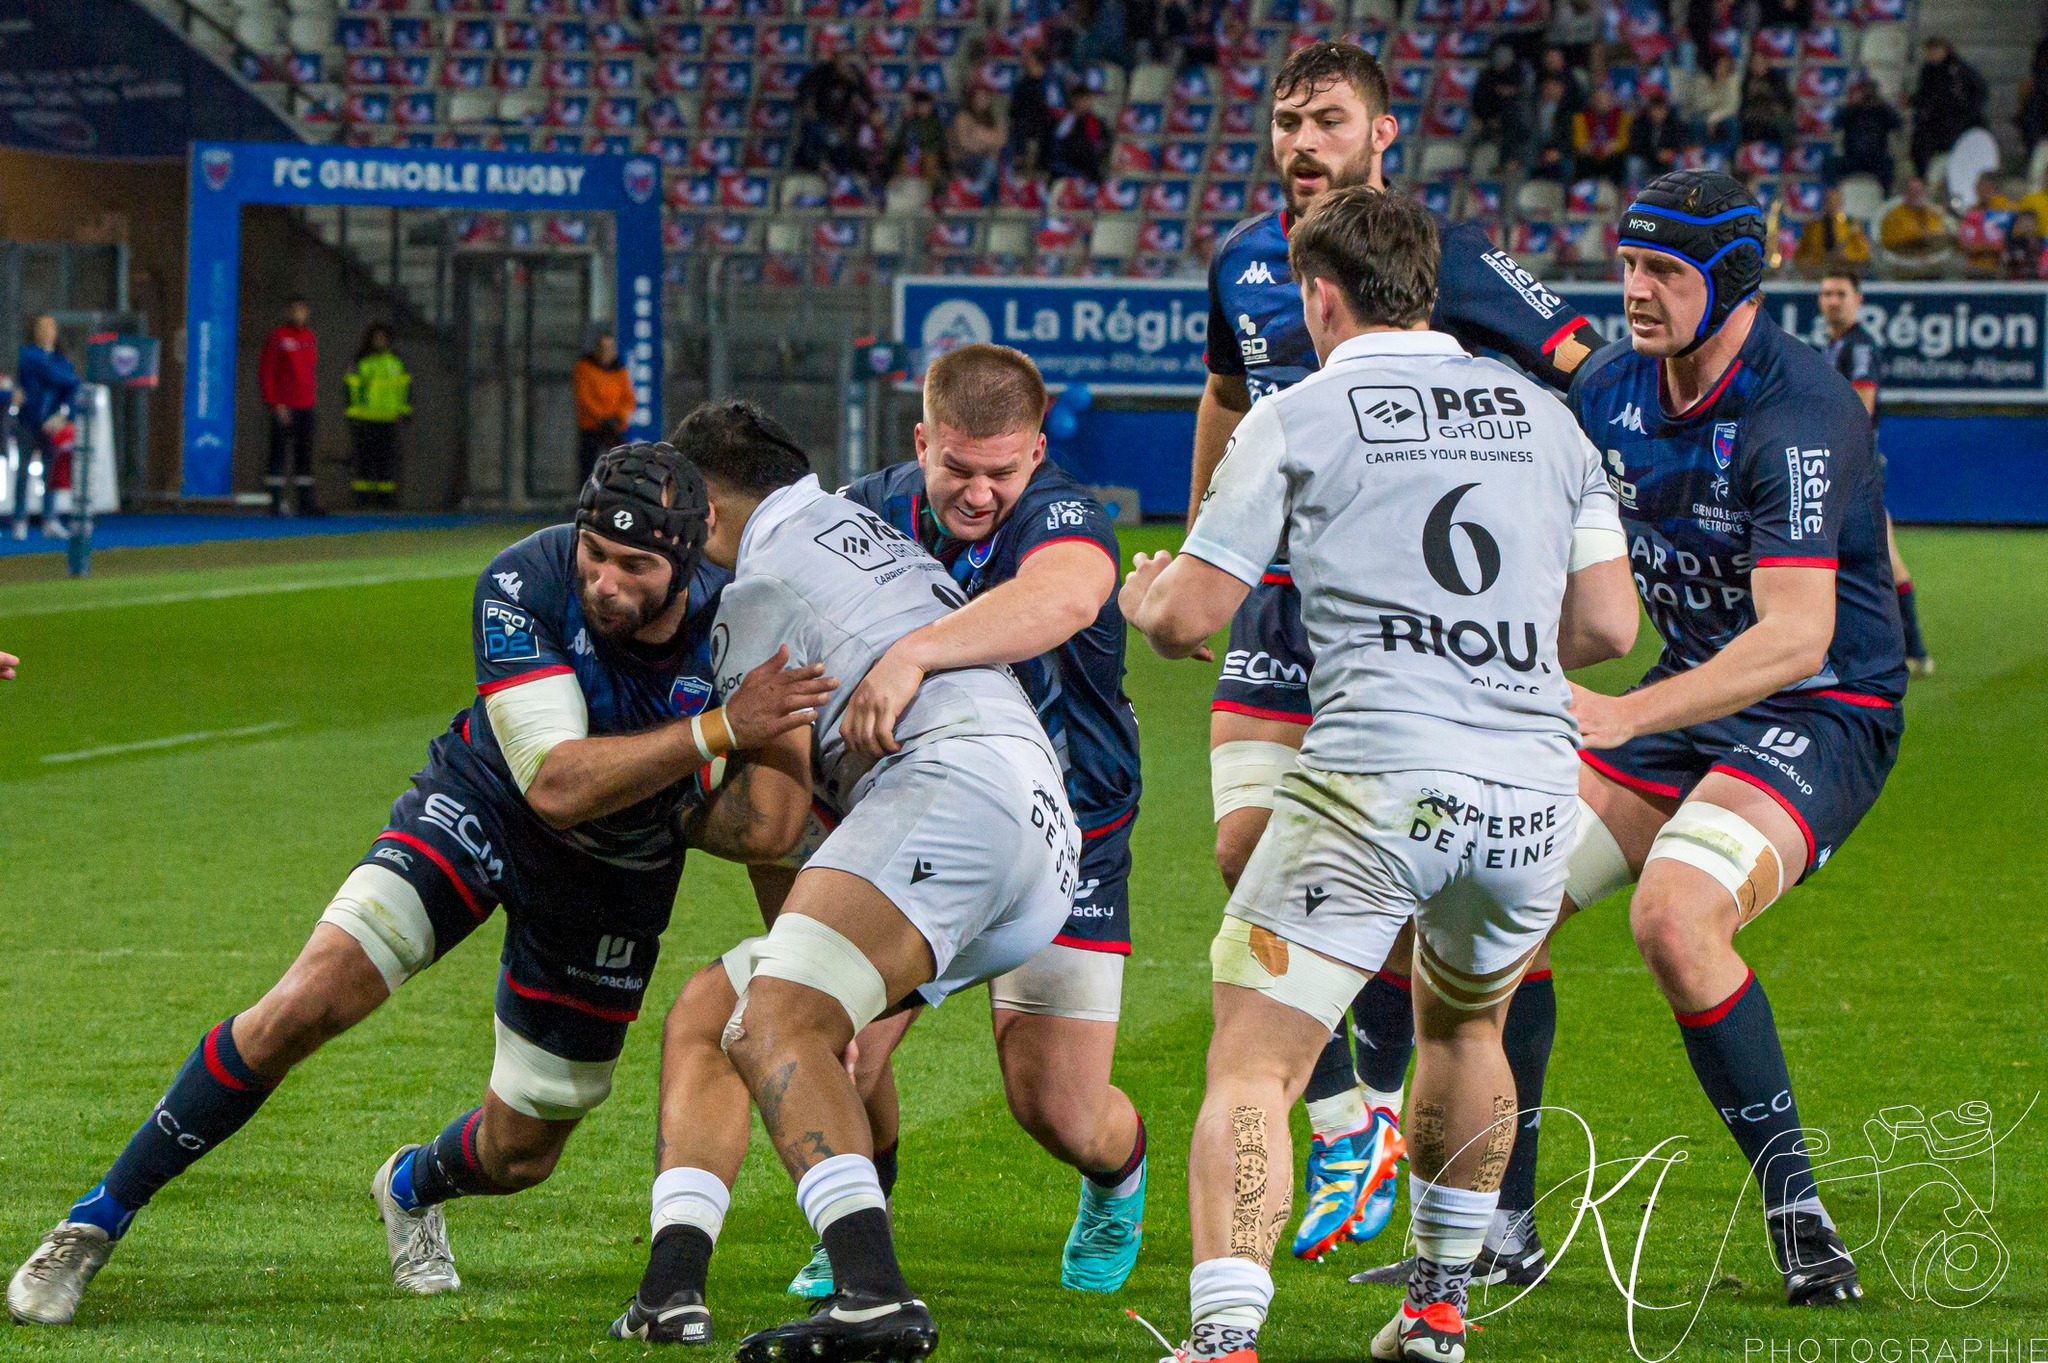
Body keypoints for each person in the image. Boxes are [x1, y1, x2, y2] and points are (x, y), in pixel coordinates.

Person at [4, 446, 833, 1328]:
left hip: (613, 881)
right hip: (485, 804)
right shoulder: (525, 577)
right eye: (596, 552)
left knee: (523, 1151)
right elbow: (551, 783)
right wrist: (713, 736)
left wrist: (709, 771)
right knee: (307, 999)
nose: (605, 582)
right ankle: (94, 1219)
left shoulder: (744, 620)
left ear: (693, 551)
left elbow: (768, 830)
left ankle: (410, 1183)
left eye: (635, 566)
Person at [1121, 184, 1638, 1363]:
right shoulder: (1546, 419)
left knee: (1254, 1061)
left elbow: (1191, 613)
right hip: (1524, 796)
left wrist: (1146, 595)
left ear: (1320, 294)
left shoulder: (1298, 413)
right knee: (1465, 1034)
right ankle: (1436, 1312)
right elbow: (1608, 626)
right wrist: (1489, 644)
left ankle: (1222, 1337)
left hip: (1372, 782)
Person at [1191, 38, 1606, 1269]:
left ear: (1382, 134)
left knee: (1453, 923)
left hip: (1421, 620)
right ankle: (1350, 1116)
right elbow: (1227, 391)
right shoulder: (1242, 261)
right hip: (1282, 596)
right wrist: (1212, 525)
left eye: (1325, 120)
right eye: (1284, 122)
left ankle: (1456, 1178)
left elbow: (1590, 371)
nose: (1300, 143)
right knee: (1239, 844)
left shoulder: (1441, 263)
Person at [1486, 170, 1904, 1307]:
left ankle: (1796, 1213)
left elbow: (1792, 638)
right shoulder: (1612, 392)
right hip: (1685, 695)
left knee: (1671, 917)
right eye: (1626, 265)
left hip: (1820, 707)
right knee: (1498, 904)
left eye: (1663, 271)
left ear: (1729, 282)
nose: (1634, 290)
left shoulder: (1799, 413)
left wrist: (1620, 711)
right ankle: (1502, 1229)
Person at [608, 401, 1079, 1360]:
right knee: (714, 1011)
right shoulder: (857, 529)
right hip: (1033, 831)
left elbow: (772, 823)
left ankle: (872, 1292)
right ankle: (670, 1290)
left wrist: (654, 807)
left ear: (699, 505)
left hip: (955, 790)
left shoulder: (763, 584)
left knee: (774, 1020)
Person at [801, 344, 1146, 1298]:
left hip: (1071, 833)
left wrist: (912, 654)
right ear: (921, 441)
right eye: (957, 468)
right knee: (836, 1036)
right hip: (923, 827)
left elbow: (1066, 593)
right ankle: (858, 1216)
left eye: (1003, 470)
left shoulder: (1063, 513)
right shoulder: (867, 511)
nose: (982, 493)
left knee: (1059, 1110)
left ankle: (1117, 1181)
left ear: (1038, 450)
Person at [1818, 264, 1933, 677]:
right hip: (1851, 469)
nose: (1832, 300)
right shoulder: (1833, 345)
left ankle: (1905, 650)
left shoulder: (1859, 347)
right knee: (1880, 558)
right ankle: (1912, 650)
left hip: (1852, 470)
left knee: (1851, 559)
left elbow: (1860, 411)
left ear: (1858, 300)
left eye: (1840, 293)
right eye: (1827, 293)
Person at [11, 314, 80, 539]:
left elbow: (71, 389)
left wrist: (61, 415)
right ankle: (19, 520)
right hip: (28, 422)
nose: (46, 331)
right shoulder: (29, 355)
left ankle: (49, 519)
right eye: (42, 327)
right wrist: (67, 379)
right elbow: (64, 379)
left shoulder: (62, 359)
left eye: (50, 327)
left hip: (51, 425)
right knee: (24, 471)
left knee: (51, 473)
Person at [259, 298, 320, 517]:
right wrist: (275, 403)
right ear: (288, 312)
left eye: (303, 310)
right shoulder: (278, 337)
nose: (299, 314)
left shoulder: (310, 338)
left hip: (306, 405)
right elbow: (267, 372)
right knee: (278, 453)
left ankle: (305, 502)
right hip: (285, 405)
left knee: (304, 454)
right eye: (295, 310)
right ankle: (275, 501)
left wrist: (310, 400)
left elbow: (308, 373)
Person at [344, 323, 411, 508]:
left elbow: (404, 389)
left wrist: (402, 413)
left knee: (386, 459)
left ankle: (386, 499)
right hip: (366, 418)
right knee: (364, 459)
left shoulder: (396, 362)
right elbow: (352, 388)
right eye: (376, 337)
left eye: (383, 337)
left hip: (389, 418)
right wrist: (354, 415)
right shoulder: (361, 361)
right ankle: (362, 499)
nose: (379, 341)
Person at [1910, 38, 1986, 177]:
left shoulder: (1959, 70)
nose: (1932, 55)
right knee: (1920, 151)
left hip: (1955, 124)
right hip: (1932, 124)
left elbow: (1978, 91)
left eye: (1935, 50)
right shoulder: (1928, 71)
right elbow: (1925, 95)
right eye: (1929, 51)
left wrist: (1967, 113)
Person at [573, 334, 635, 485]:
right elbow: (584, 397)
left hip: (613, 426)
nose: (606, 352)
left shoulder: (620, 371)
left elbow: (629, 398)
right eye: (603, 348)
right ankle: (586, 498)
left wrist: (619, 416)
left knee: (622, 460)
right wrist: (602, 417)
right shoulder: (585, 367)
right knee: (587, 464)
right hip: (592, 426)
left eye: (610, 348)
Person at [1472, 42, 1535, 171]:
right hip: (1490, 121)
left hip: (1513, 122)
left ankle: (1510, 161)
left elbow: (1521, 101)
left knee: (1515, 125)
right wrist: (1488, 119)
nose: (1501, 65)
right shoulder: (1486, 77)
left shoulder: (1518, 74)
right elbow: (1479, 102)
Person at [1834, 77, 1902, 194]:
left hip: (1876, 158)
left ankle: (1886, 199)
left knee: (1889, 166)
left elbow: (1897, 124)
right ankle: (1832, 199)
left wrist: (1881, 104)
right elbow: (1836, 123)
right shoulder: (1852, 111)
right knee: (1830, 165)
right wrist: (1852, 104)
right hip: (1853, 157)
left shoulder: (1882, 111)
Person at [1878, 176, 1955, 276]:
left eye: (1920, 191)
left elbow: (1939, 235)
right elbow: (1891, 243)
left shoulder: (1931, 214)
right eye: (1913, 191)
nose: (1917, 195)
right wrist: (1919, 237)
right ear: (1905, 194)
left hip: (1932, 261)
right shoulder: (1894, 215)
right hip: (1901, 262)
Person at [1793, 185, 1873, 275]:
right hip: (1819, 273)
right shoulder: (1812, 226)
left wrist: (1846, 256)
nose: (1832, 205)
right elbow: (1800, 257)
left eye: (1836, 201)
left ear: (1841, 203)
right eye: (1829, 201)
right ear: (1824, 203)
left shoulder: (1852, 224)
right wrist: (1813, 261)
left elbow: (1864, 256)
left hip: (1846, 272)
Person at [948, 84, 1008, 197]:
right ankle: (977, 191)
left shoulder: (992, 118)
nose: (982, 101)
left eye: (984, 98)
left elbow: (1002, 141)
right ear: (971, 100)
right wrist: (988, 143)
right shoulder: (963, 117)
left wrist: (981, 139)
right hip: (965, 158)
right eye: (978, 98)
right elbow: (965, 144)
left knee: (1002, 158)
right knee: (990, 163)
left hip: (987, 156)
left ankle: (996, 196)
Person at [1008, 48, 1059, 175]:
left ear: (1037, 62)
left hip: (1045, 123)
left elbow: (1056, 106)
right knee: (1018, 126)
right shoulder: (1022, 83)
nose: (1027, 62)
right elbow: (1014, 110)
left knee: (1051, 128)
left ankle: (1045, 167)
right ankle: (1019, 165)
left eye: (1030, 59)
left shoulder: (1050, 83)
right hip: (1025, 123)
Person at [889, 89, 951, 189]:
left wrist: (924, 151)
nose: (924, 108)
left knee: (930, 161)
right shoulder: (909, 122)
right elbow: (899, 142)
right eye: (921, 105)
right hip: (911, 154)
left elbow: (941, 144)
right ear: (916, 107)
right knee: (905, 161)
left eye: (927, 105)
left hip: (930, 153)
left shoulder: (936, 123)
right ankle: (906, 191)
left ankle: (927, 194)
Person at [1572, 83, 1633, 185]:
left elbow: (1624, 139)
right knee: (1581, 160)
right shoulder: (1581, 116)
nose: (1601, 102)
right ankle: (1582, 193)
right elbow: (1579, 141)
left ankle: (1618, 195)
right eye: (1598, 99)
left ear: (1611, 101)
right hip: (1590, 155)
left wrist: (1614, 146)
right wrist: (1588, 147)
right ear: (1592, 101)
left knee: (1620, 160)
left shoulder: (1622, 116)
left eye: (1605, 99)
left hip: (1612, 154)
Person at [1627, 86, 1687, 185]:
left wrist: (1671, 152)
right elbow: (1635, 147)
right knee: (1634, 163)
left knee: (1679, 160)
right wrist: (1656, 154)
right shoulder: (1639, 123)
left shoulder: (1674, 123)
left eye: (1661, 110)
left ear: (1666, 110)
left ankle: (1679, 191)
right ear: (1649, 110)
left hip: (1668, 162)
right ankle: (1634, 193)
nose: (1658, 113)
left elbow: (1681, 142)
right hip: (1647, 160)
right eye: (1655, 110)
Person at [1049, 86, 1109, 182]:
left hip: (1090, 172)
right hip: (1068, 171)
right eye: (1084, 99)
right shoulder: (1065, 122)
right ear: (1075, 101)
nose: (1088, 103)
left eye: (1090, 99)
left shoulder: (1096, 122)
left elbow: (1104, 144)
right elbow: (1057, 149)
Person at [1737, 49, 1794, 149]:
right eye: (1755, 63)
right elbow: (1742, 103)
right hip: (1752, 116)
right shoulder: (1746, 81)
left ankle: (1783, 153)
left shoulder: (1777, 79)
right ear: (1751, 65)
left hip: (1772, 114)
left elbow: (1785, 101)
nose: (1758, 66)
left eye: (1761, 63)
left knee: (1779, 123)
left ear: (1767, 63)